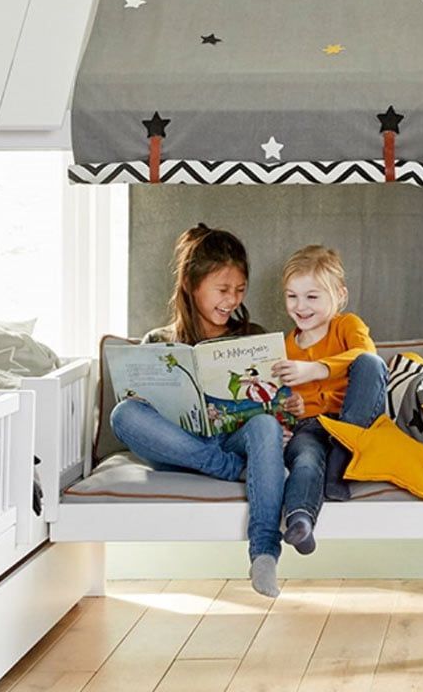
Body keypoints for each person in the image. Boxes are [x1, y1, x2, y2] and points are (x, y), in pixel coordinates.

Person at [110, 224, 286, 598]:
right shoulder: (158, 341)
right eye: (222, 290)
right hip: (180, 449)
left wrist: (283, 411)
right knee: (123, 414)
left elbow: (273, 399)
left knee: (267, 428)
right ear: (191, 285)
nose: (232, 300)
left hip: (233, 439)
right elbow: (140, 411)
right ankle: (228, 469)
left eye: (239, 290)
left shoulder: (252, 335)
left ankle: (264, 552)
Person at [271, 245, 388, 557]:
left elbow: (366, 357)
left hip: (355, 420)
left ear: (339, 294)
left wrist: (315, 369)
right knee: (306, 459)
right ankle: (300, 521)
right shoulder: (284, 346)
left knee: (370, 364)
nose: (300, 306)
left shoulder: (347, 325)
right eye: (292, 296)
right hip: (309, 429)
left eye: (312, 296)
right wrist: (288, 412)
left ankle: (343, 451)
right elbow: (282, 399)